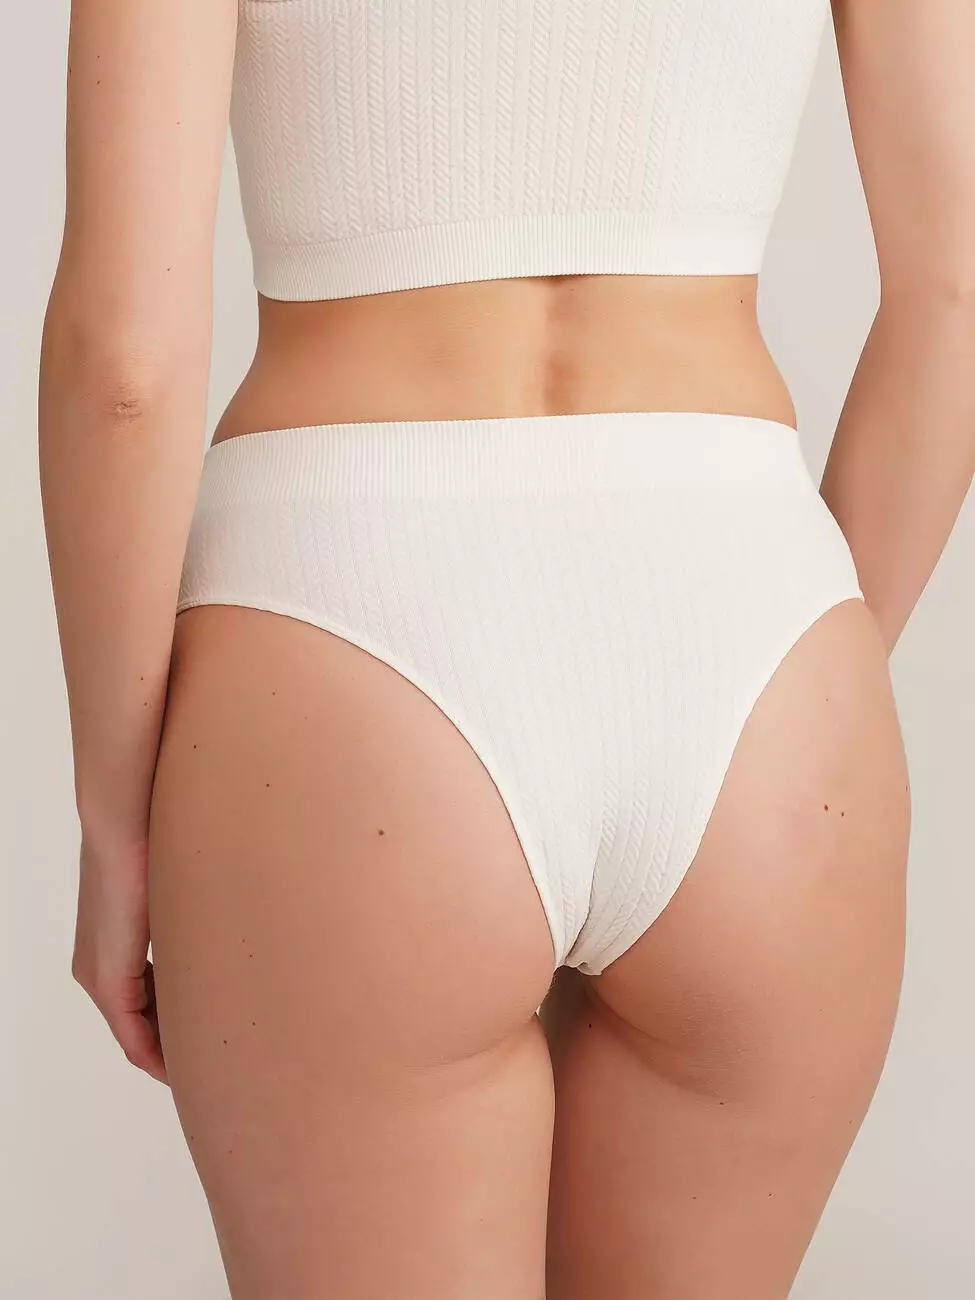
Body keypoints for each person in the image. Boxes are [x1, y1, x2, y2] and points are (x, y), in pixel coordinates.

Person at [37, 1, 974, 1296]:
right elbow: (953, 299)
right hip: (753, 620)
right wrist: (810, 682)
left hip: (349, 624)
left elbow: (125, 367)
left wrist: (114, 825)